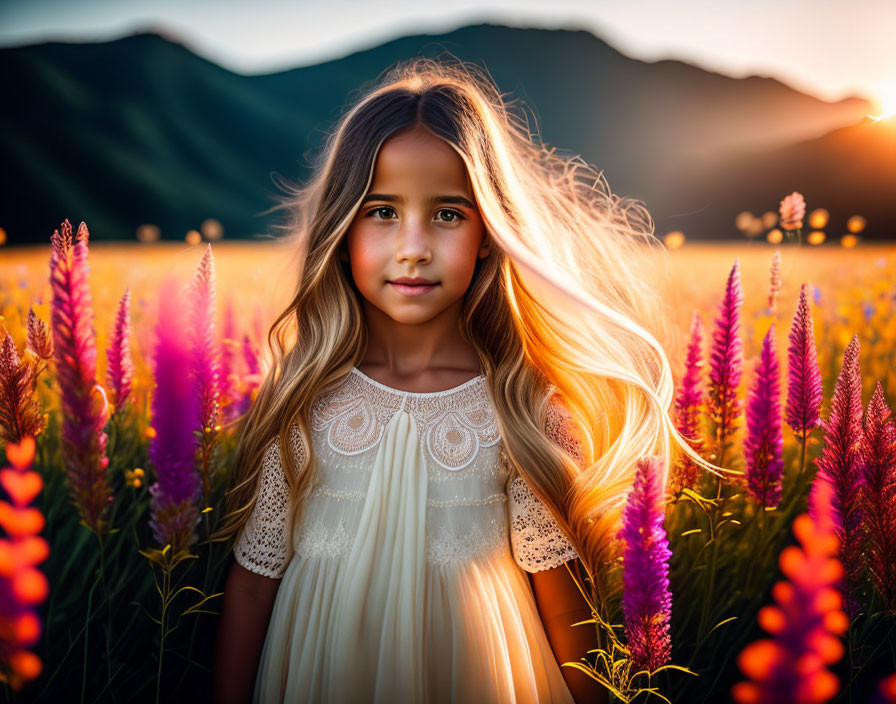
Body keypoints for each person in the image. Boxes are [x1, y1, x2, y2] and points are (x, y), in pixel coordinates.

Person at [210, 55, 718, 704]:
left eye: (448, 214)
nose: (414, 245)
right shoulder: (302, 404)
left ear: (487, 233)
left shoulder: (524, 411)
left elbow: (565, 613)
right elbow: (254, 581)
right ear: (341, 230)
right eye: (381, 211)